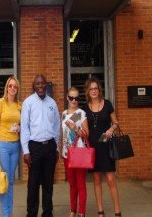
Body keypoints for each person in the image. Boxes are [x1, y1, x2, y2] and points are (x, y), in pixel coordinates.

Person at [20, 74, 60, 217]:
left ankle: (47, 213)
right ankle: (31, 213)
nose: (41, 86)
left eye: (43, 83)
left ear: (46, 85)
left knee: (48, 183)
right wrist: (26, 151)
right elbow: (24, 128)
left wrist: (56, 148)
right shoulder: (28, 103)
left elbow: (56, 127)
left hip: (50, 147)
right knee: (33, 183)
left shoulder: (52, 103)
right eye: (37, 84)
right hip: (34, 148)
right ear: (34, 86)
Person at [82, 77, 122, 217]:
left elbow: (116, 123)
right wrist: (73, 126)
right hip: (92, 148)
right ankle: (100, 211)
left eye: (96, 88)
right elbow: (77, 123)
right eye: (91, 89)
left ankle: (117, 211)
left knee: (111, 179)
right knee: (97, 179)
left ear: (99, 90)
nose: (93, 91)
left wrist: (112, 130)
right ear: (87, 91)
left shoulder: (108, 104)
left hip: (106, 146)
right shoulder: (84, 108)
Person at [0, 76, 22, 217]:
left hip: (15, 146)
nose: (12, 88)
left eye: (15, 86)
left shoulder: (19, 105)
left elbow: (23, 124)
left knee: (10, 181)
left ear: (17, 89)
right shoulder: (0, 103)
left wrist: (20, 128)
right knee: (4, 181)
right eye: (10, 86)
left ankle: (10, 213)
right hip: (3, 146)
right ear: (6, 87)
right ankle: (6, 214)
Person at [61, 87, 89, 217]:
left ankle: (81, 212)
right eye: (71, 98)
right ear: (67, 98)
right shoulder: (64, 114)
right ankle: (72, 210)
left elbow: (86, 134)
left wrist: (76, 129)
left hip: (79, 154)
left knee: (80, 184)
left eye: (76, 98)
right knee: (72, 184)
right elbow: (62, 135)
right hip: (67, 153)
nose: (74, 100)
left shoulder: (80, 113)